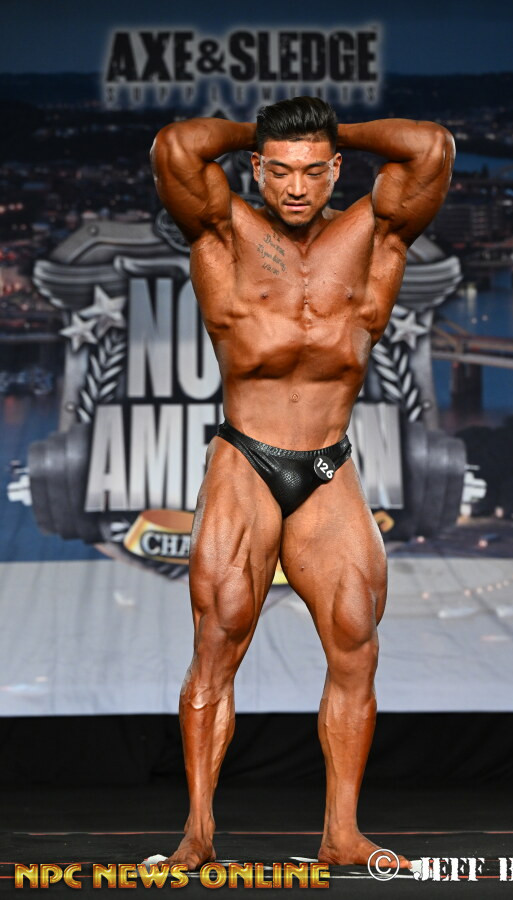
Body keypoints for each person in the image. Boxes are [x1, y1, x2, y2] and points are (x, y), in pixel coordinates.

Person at [150, 96, 454, 870]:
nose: (296, 186)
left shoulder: (376, 233)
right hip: (246, 457)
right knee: (218, 638)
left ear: (337, 168)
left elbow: (430, 146)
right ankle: (197, 834)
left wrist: (329, 127)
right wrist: (262, 129)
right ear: (255, 167)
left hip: (327, 463)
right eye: (280, 169)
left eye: (314, 170)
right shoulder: (222, 230)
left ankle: (341, 835)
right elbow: (178, 146)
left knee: (356, 641)